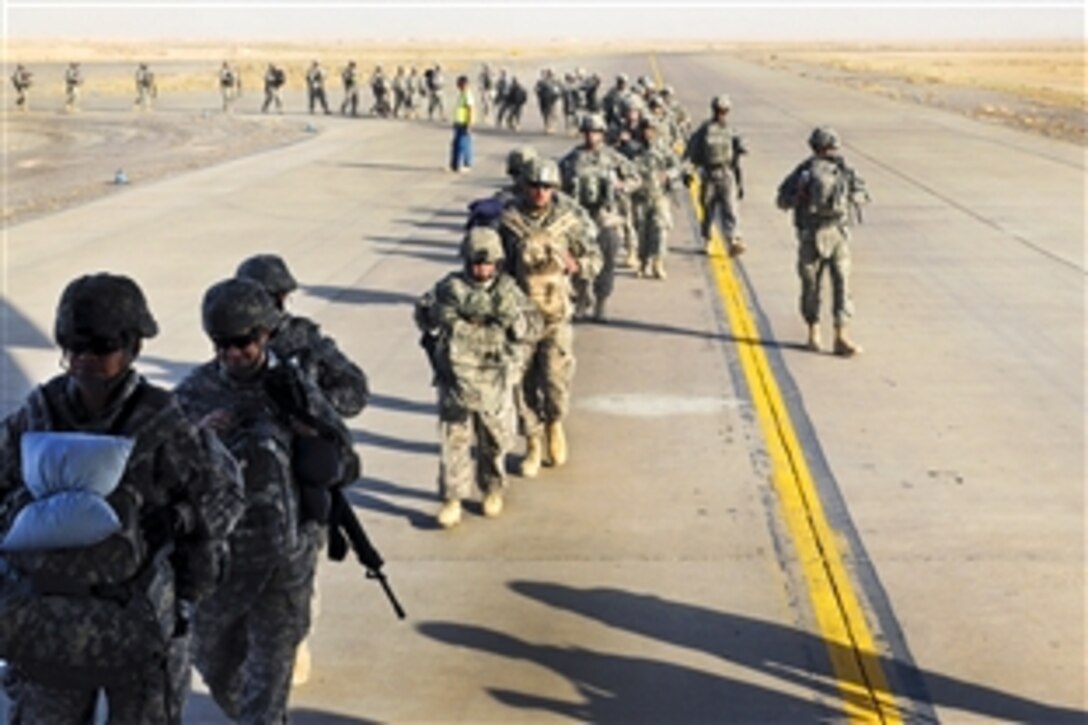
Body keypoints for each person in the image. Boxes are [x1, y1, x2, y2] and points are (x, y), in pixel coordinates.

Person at [0, 273, 244, 724]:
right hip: (48, 626)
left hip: (136, 626)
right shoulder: (37, 413)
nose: (85, 360)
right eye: (74, 347)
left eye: (101, 347)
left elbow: (226, 493)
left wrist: (184, 517)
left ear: (134, 347)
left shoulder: (162, 421)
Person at [175, 278, 358, 723]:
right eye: (222, 345)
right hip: (219, 566)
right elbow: (160, 473)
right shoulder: (192, 394)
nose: (234, 354)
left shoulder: (293, 388)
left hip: (284, 561)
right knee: (217, 669)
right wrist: (200, 438)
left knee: (269, 686)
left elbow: (346, 464)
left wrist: (310, 436)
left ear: (265, 335)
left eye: (244, 343)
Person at [235, 253, 369, 685]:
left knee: (297, 573)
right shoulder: (231, 346)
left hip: (299, 482)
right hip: (245, 486)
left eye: (274, 297)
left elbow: (353, 391)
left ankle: (294, 641)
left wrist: (312, 410)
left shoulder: (305, 343)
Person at [415, 227, 538, 528]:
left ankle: (492, 489)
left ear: (497, 263)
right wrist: (436, 316)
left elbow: (530, 328)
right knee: (453, 440)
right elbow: (424, 317)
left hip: (494, 379)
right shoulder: (449, 288)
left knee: (494, 441)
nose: (480, 269)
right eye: (474, 263)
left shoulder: (508, 291)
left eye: (486, 264)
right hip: (455, 379)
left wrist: (512, 326)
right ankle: (452, 498)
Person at [497, 158, 601, 476]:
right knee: (522, 384)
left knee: (556, 380)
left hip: (556, 316)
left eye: (546, 187)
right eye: (534, 186)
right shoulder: (509, 221)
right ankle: (533, 441)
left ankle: (555, 423)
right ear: (525, 187)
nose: (540, 193)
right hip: (521, 317)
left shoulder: (568, 222)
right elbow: (493, 263)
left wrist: (578, 265)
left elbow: (595, 258)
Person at [776, 126, 871, 357]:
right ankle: (813, 331)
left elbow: (863, 194)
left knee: (842, 284)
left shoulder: (844, 171)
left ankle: (841, 336)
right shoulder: (803, 172)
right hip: (811, 234)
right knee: (811, 285)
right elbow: (782, 200)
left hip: (837, 234)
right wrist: (798, 195)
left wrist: (850, 196)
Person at [559, 112, 640, 321]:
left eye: (595, 132)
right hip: (579, 217)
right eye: (587, 132)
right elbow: (557, 186)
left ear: (602, 134)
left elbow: (635, 177)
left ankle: (601, 301)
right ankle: (582, 299)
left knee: (607, 260)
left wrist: (622, 187)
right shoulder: (572, 159)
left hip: (605, 216)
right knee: (578, 260)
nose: (590, 136)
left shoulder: (612, 158)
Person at [684, 94, 747, 256]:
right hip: (709, 175)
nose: (721, 113)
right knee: (707, 209)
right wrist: (688, 171)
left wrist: (740, 182)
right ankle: (707, 239)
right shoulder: (704, 130)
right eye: (719, 110)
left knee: (731, 209)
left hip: (726, 174)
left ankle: (733, 240)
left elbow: (738, 157)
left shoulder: (731, 131)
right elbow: (691, 152)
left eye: (724, 111)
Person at [628, 118, 683, 279]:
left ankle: (658, 262)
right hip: (640, 197)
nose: (648, 133)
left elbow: (677, 166)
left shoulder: (663, 150)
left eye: (651, 129)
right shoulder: (633, 150)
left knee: (660, 229)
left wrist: (668, 174)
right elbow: (622, 167)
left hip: (659, 196)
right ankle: (644, 262)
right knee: (642, 231)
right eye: (645, 129)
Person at [450, 74, 475, 173]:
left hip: (464, 123)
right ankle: (454, 165)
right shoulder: (462, 94)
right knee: (455, 144)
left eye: (459, 84)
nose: (457, 86)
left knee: (464, 144)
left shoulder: (467, 94)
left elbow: (470, 109)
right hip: (459, 123)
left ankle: (467, 164)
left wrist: (469, 124)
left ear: (463, 84)